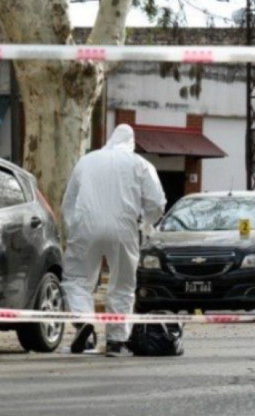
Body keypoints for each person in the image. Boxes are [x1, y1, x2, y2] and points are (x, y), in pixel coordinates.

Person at [61, 124, 166, 357]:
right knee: (122, 284)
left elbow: (68, 202)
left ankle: (83, 321)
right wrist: (145, 224)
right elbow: (157, 202)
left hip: (85, 225)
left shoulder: (86, 161)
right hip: (123, 227)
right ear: (131, 141)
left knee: (77, 278)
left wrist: (73, 231)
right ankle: (116, 342)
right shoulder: (140, 164)